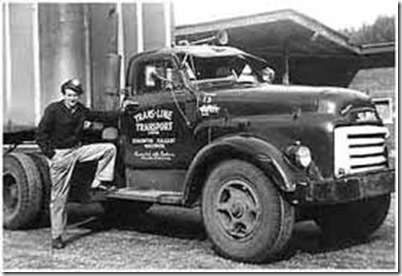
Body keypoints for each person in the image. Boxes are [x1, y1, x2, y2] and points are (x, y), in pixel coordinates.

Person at [36, 79, 118, 250]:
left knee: (108, 149)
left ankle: (99, 181)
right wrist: (52, 155)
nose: (72, 98)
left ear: (79, 96)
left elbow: (100, 116)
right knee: (59, 197)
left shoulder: (80, 110)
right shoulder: (54, 110)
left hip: (77, 151)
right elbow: (41, 134)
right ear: (64, 95)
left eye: (75, 95)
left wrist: (123, 112)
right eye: (69, 95)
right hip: (61, 155)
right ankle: (56, 236)